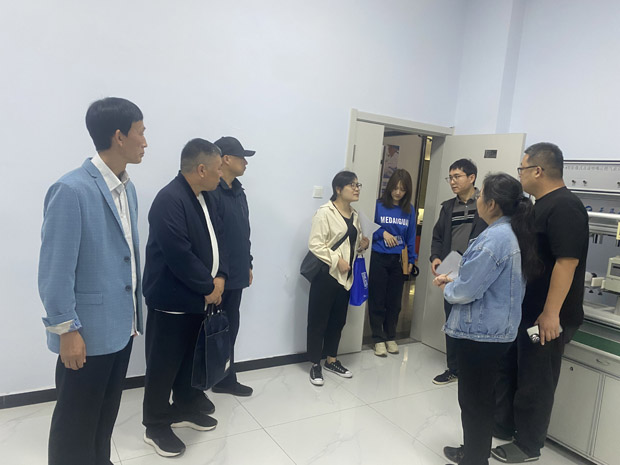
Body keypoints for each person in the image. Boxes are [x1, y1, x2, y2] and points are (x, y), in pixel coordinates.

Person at [38, 97, 147, 465]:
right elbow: (55, 271)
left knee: (104, 417)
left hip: (121, 327)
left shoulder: (127, 188)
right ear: (119, 136)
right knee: (75, 425)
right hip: (84, 334)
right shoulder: (71, 190)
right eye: (140, 132)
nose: (145, 142)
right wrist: (66, 330)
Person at [491, 143, 589, 463]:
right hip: (528, 311)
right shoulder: (539, 206)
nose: (519, 174)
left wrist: (550, 313)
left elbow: (567, 262)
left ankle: (528, 445)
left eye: (521, 168)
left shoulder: (565, 207)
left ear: (537, 170)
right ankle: (504, 425)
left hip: (546, 319)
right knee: (513, 369)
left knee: (536, 377)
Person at [434, 173, 538, 465]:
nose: (477, 199)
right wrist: (457, 279)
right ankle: (473, 451)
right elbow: (487, 280)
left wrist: (448, 288)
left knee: (474, 401)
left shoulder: (494, 238)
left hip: (481, 333)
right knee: (480, 397)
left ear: (491, 204)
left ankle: (475, 458)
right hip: (495, 331)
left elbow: (468, 290)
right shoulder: (510, 232)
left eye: (480, 195)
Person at [142, 138, 227, 457]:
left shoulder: (206, 197)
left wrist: (221, 276)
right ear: (201, 169)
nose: (221, 174)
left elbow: (220, 240)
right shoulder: (169, 199)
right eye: (218, 168)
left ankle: (184, 406)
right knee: (163, 365)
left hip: (198, 298)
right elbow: (178, 253)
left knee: (189, 360)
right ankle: (155, 424)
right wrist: (208, 287)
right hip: (172, 300)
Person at [306, 171, 369, 386]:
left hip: (346, 277)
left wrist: (362, 245)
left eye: (358, 185)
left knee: (338, 320)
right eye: (352, 185)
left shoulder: (355, 215)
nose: (356, 189)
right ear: (338, 189)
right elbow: (315, 244)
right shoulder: (325, 212)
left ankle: (331, 360)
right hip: (327, 274)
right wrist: (336, 260)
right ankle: (315, 363)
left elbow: (350, 244)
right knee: (318, 320)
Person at [430, 158, 487, 385]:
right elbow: (437, 237)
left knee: (475, 318)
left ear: (472, 178)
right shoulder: (448, 207)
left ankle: (472, 369)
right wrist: (435, 257)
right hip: (451, 269)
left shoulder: (485, 204)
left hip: (476, 270)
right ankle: (453, 368)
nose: (452, 181)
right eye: (450, 177)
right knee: (452, 318)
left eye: (457, 177)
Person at [210, 136, 255, 397]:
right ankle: (206, 379)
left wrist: (248, 263)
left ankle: (225, 378)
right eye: (241, 158)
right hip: (218, 278)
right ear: (226, 159)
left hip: (237, 274)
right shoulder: (212, 192)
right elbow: (213, 239)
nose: (245, 163)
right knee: (210, 330)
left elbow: (243, 233)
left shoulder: (239, 192)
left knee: (230, 328)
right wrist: (219, 274)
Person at [368, 169, 417, 357]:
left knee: (395, 302)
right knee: (377, 300)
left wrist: (411, 259)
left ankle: (390, 336)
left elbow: (411, 236)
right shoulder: (378, 206)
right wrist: (383, 233)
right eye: (395, 188)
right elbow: (368, 227)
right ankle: (377, 338)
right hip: (379, 257)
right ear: (389, 187)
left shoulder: (409, 210)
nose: (398, 192)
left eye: (402, 189)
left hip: (398, 260)